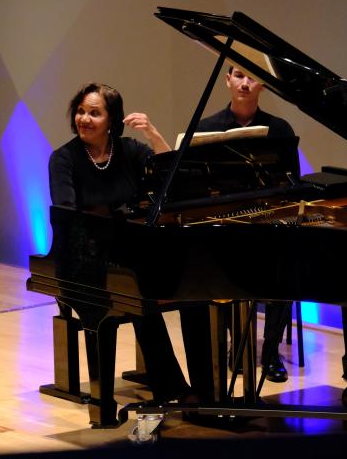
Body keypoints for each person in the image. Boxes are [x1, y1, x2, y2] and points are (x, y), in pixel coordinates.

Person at [49, 82, 213, 404]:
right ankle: (170, 388)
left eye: (94, 113)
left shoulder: (128, 150)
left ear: (112, 120)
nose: (84, 118)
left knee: (197, 292)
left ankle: (206, 391)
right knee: (138, 294)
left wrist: (153, 133)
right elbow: (68, 218)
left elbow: (171, 177)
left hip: (132, 248)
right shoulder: (64, 159)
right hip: (86, 254)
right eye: (81, 111)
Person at [196, 65, 299, 383]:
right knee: (221, 271)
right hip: (226, 225)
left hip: (268, 224)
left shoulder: (279, 129)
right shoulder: (208, 127)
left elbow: (292, 185)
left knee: (286, 270)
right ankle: (237, 346)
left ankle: (270, 353)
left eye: (251, 77)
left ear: (262, 85)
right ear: (227, 80)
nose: (244, 83)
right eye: (238, 75)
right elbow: (201, 183)